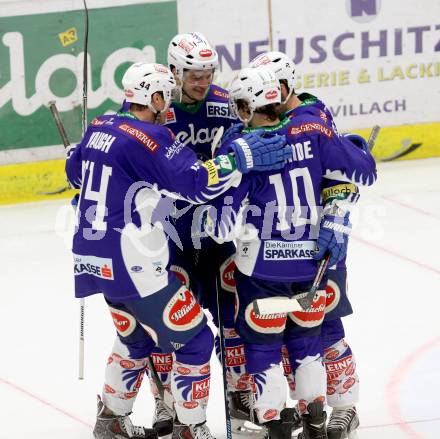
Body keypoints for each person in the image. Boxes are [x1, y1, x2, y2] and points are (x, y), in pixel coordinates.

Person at [65, 61, 290, 439]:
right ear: (152, 97)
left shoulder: (99, 126)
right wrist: (239, 158)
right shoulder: (149, 137)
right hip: (131, 262)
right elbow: (198, 184)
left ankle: (111, 419)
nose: (168, 106)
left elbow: (75, 173)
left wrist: (78, 153)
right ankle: (190, 427)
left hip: (92, 259)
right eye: (164, 97)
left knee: (134, 337)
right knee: (197, 338)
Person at [205, 66, 376, 439]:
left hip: (266, 266)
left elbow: (220, 227)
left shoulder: (251, 144)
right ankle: (313, 416)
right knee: (307, 339)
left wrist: (228, 173)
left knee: (276, 343)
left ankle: (287, 418)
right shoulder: (313, 128)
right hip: (310, 257)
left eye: (241, 104)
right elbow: (363, 171)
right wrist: (356, 149)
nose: (236, 112)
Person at [141, 32, 260, 437]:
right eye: (193, 74)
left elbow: (245, 148)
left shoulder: (225, 103)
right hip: (168, 232)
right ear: (174, 71)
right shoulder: (157, 110)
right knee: (168, 320)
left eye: (208, 72)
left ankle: (238, 390)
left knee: (231, 310)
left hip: (214, 227)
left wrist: (230, 198)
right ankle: (166, 400)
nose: (202, 80)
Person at [248, 51, 365, 439]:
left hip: (321, 242)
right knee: (293, 332)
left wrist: (338, 216)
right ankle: (306, 408)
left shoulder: (313, 118)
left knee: (328, 326)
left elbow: (344, 178)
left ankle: (345, 407)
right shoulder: (274, 121)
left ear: (282, 87)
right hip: (285, 243)